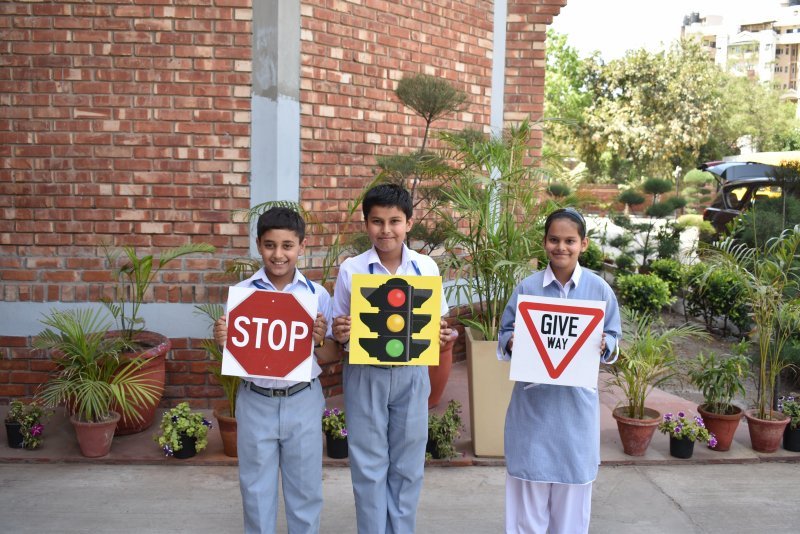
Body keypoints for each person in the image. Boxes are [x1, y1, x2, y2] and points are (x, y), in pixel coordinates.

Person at [331, 183, 454, 534]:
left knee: (408, 463)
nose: (386, 230)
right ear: (366, 223)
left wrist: (444, 335)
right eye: (377, 221)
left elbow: (439, 324)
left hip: (411, 374)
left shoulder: (425, 268)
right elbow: (339, 330)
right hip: (364, 373)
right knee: (368, 465)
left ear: (409, 223)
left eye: (395, 221)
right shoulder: (351, 270)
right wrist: (341, 332)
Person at [497, 207, 621, 534]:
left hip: (575, 412)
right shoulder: (527, 288)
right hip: (533, 412)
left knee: (571, 513)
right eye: (554, 240)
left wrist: (606, 344)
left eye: (569, 241)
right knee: (526, 510)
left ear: (584, 244)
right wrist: (512, 342)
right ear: (544, 242)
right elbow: (505, 332)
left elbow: (614, 338)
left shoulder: (599, 290)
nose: (561, 247)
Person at [213, 206, 337, 534]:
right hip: (255, 400)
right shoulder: (243, 294)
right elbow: (235, 353)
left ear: (302, 246)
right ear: (258, 245)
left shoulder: (317, 295)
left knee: (306, 491)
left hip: (302, 399)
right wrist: (222, 340)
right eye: (270, 245)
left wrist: (318, 339)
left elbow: (331, 354)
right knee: (256, 491)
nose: (278, 254)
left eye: (287, 246)